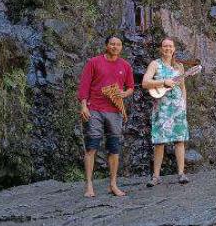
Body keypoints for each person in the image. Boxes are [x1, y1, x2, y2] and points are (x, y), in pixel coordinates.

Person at [78, 35, 135, 197]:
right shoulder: (94, 62)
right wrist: (83, 105)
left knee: (114, 149)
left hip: (115, 112)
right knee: (91, 147)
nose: (115, 47)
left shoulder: (125, 66)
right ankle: (89, 185)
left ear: (121, 47)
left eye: (118, 44)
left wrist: (123, 94)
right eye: (112, 44)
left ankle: (113, 184)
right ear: (106, 46)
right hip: (94, 108)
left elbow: (130, 87)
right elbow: (84, 85)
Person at [142, 37, 190, 186]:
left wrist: (184, 105)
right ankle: (156, 176)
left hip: (177, 107)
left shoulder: (179, 67)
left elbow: (182, 87)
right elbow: (145, 83)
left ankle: (181, 173)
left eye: (170, 46)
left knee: (179, 140)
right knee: (159, 142)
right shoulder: (155, 64)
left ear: (174, 49)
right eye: (165, 46)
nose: (168, 48)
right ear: (161, 49)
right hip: (161, 108)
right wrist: (163, 82)